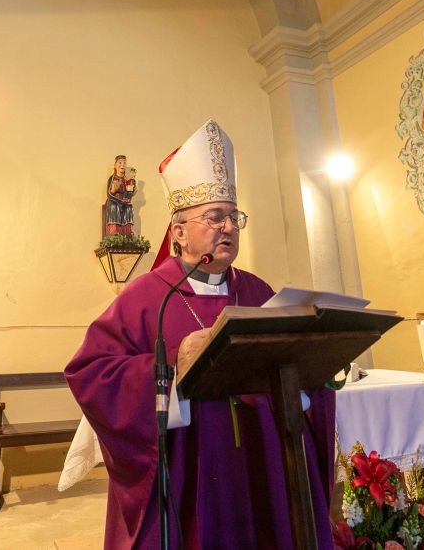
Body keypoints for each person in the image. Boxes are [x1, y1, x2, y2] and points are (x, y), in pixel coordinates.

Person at [67, 119, 336, 548]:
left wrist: (308, 371)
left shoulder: (257, 291)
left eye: (234, 217)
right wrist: (168, 366)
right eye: (214, 217)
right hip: (189, 463)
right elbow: (90, 372)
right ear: (178, 231)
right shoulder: (146, 296)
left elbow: (295, 367)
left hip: (259, 458)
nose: (228, 227)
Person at [104, 154, 136, 236]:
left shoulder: (127, 180)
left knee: (129, 207)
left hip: (124, 201)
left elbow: (129, 194)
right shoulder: (112, 178)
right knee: (114, 207)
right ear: (115, 165)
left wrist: (133, 192)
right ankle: (114, 232)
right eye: (120, 163)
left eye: (124, 163)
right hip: (114, 200)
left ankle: (127, 232)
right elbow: (109, 194)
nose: (122, 165)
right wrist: (114, 190)